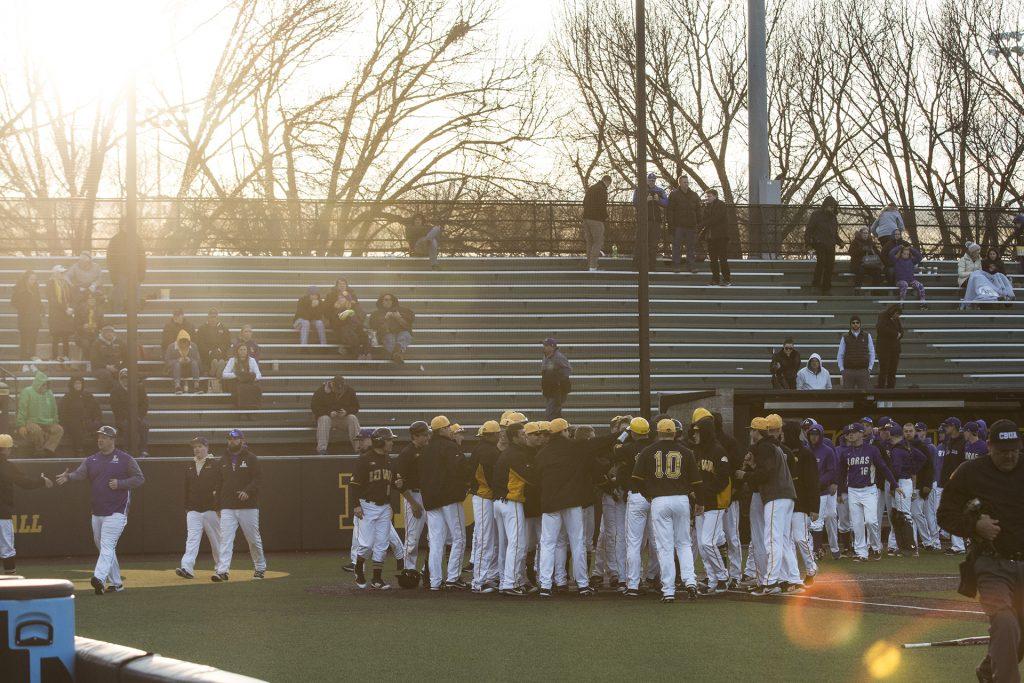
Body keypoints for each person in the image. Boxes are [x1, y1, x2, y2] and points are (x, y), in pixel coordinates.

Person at [937, 419, 1024, 683]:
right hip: (991, 564)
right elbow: (944, 515)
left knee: (1019, 633)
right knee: (1006, 622)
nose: (1009, 455)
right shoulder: (969, 472)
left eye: (1014, 449)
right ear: (989, 446)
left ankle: (988, 670)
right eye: (1002, 450)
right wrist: (975, 525)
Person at [56, 425, 145, 594]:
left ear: (112, 439)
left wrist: (121, 483)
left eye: (104, 437)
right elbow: (80, 474)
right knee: (105, 547)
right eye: (99, 437)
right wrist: (68, 476)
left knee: (107, 545)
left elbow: (139, 479)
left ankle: (99, 577)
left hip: (117, 511)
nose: (100, 440)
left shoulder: (125, 458)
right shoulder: (92, 460)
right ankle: (117, 583)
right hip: (97, 511)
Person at [630, 419, 702, 603]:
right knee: (684, 543)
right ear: (675, 432)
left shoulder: (648, 451)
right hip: (681, 499)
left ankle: (668, 590)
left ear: (658, 432)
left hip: (659, 499)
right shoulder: (686, 451)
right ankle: (690, 581)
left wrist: (649, 494)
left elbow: (636, 481)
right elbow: (696, 483)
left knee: (665, 547)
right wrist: (698, 501)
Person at [534, 418, 603, 598]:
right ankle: (582, 584)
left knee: (550, 543)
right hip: (572, 502)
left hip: (550, 502)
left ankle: (548, 584)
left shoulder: (542, 452)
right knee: (577, 542)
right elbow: (600, 444)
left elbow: (537, 478)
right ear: (565, 431)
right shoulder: (575, 448)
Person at [733, 417, 797, 595]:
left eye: (752, 430)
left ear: (756, 431)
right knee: (782, 539)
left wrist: (744, 475)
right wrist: (753, 466)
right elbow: (767, 469)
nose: (750, 433)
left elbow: (766, 473)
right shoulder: (774, 446)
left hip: (776, 495)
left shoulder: (765, 447)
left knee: (772, 539)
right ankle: (792, 578)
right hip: (786, 495)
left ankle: (770, 582)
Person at [419, 416, 467, 591]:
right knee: (459, 538)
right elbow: (459, 470)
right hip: (448, 498)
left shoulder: (426, 449)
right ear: (442, 430)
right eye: (448, 427)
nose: (450, 430)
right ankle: (453, 578)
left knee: (436, 542)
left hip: (431, 501)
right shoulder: (450, 446)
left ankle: (435, 581)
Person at [837, 423, 899, 561]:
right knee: (857, 523)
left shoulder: (872, 450)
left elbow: (883, 467)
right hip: (852, 490)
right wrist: (840, 492)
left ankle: (876, 547)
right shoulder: (845, 452)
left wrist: (894, 484)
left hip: (869, 489)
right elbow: (841, 473)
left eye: (853, 432)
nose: (850, 435)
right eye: (848, 433)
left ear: (861, 433)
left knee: (871, 521)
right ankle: (861, 553)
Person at [212, 429, 267, 582]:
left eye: (235, 438)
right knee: (225, 539)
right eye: (229, 438)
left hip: (248, 506)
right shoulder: (222, 460)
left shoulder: (251, 458)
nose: (232, 441)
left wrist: (247, 491)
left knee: (253, 539)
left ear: (242, 440)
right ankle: (223, 570)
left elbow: (258, 479)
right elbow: (219, 484)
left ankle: (260, 567)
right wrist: (217, 506)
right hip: (227, 506)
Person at [351, 427, 398, 590]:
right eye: (389, 440)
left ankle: (377, 578)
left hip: (384, 506)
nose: (392, 442)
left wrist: (396, 484)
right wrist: (356, 504)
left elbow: (390, 482)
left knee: (382, 544)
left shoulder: (389, 459)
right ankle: (358, 568)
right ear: (380, 441)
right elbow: (354, 485)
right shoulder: (365, 459)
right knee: (366, 545)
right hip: (367, 505)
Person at [492, 421, 536, 596]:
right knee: (518, 544)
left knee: (505, 545)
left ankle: (507, 580)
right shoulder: (516, 455)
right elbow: (531, 477)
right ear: (515, 437)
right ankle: (511, 583)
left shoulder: (507, 453)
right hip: (511, 501)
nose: (526, 436)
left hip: (499, 502)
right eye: (523, 434)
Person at [690, 408, 731, 594]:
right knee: (701, 544)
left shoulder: (718, 450)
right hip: (699, 503)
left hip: (714, 504)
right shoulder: (696, 451)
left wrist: (703, 493)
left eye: (698, 431)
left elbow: (722, 479)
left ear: (705, 431)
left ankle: (723, 576)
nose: (694, 434)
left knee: (708, 543)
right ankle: (712, 579)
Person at [0, 433, 53, 573]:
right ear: (6, 449)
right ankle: (10, 584)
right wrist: (42, 480)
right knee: (6, 550)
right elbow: (26, 483)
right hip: (2, 514)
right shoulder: (6, 466)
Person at [175, 436, 221, 580]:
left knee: (217, 540)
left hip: (211, 509)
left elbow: (221, 486)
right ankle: (187, 567)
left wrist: (219, 506)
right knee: (192, 539)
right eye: (195, 447)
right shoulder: (190, 465)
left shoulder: (216, 464)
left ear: (207, 448)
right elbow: (186, 487)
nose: (197, 449)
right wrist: (187, 506)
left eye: (200, 446)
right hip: (194, 509)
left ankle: (221, 568)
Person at [782, 420, 820, 590]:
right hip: (785, 500)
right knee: (788, 540)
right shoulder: (781, 451)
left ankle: (811, 568)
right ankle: (794, 574)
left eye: (785, 432)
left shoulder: (805, 454)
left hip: (801, 502)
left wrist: (814, 507)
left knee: (800, 538)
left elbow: (812, 481)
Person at [467, 420, 501, 593]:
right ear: (494, 435)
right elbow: (488, 477)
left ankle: (487, 577)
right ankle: (478, 582)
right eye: (498, 433)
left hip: (483, 496)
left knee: (490, 539)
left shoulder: (481, 448)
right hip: (484, 497)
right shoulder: (488, 451)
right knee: (485, 539)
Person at [393, 421, 429, 575]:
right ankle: (409, 569)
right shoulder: (407, 453)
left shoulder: (428, 450)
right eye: (424, 435)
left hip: (429, 495)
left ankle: (427, 568)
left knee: (434, 537)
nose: (427, 437)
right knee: (412, 537)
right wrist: (413, 504)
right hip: (413, 495)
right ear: (415, 436)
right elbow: (399, 483)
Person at [806, 423, 840, 559]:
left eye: (816, 434)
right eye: (811, 434)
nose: (814, 437)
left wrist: (827, 482)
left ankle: (835, 548)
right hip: (813, 491)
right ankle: (817, 550)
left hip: (825, 489)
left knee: (831, 516)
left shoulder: (827, 450)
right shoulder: (806, 450)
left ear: (820, 435)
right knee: (816, 520)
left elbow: (832, 470)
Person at [937, 417, 968, 555]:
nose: (945, 428)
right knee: (954, 511)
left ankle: (959, 546)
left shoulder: (963, 442)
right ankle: (958, 544)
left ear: (954, 426)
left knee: (957, 511)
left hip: (960, 482)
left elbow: (964, 464)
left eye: (948, 426)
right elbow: (947, 464)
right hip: (949, 481)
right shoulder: (949, 441)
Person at [16, 370, 63, 457]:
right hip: (31, 421)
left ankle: (49, 449)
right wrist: (21, 425)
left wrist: (55, 422)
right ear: (38, 383)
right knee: (37, 430)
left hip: (48, 422)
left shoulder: (49, 393)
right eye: (43, 384)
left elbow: (54, 409)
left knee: (59, 429)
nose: (45, 386)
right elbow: (22, 409)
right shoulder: (27, 391)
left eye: (46, 384)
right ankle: (39, 450)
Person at [311, 375, 361, 455]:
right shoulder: (321, 391)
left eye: (341, 389)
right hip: (328, 418)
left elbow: (356, 407)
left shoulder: (349, 391)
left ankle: (358, 448)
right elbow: (314, 407)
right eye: (336, 388)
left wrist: (346, 411)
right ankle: (322, 449)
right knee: (324, 419)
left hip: (343, 418)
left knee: (353, 418)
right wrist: (328, 412)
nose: (338, 390)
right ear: (332, 384)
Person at [805, 196, 843, 294]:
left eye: (833, 207)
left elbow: (834, 233)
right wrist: (808, 242)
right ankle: (816, 285)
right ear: (825, 206)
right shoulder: (816, 215)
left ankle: (826, 287)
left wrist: (840, 242)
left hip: (830, 244)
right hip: (819, 243)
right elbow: (809, 229)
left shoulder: (833, 218)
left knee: (830, 266)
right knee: (821, 263)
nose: (832, 209)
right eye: (830, 207)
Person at [106, 222, 147, 312]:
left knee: (136, 290)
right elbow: (110, 257)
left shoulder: (137, 238)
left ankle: (136, 309)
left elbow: (142, 255)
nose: (126, 226)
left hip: (134, 270)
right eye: (124, 224)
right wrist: (113, 273)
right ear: (121, 225)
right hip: (120, 271)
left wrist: (142, 271)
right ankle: (118, 310)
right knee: (119, 291)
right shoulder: (115, 239)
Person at [109, 368, 149, 458]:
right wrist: (129, 417)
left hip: (137, 417)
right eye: (123, 378)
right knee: (126, 425)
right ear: (120, 379)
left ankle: (144, 450)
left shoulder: (139, 388)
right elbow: (116, 408)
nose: (125, 380)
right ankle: (126, 450)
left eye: (127, 378)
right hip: (122, 418)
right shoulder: (115, 391)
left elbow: (145, 404)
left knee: (144, 426)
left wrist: (138, 416)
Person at [632, 173, 668, 269]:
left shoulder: (659, 190)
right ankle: (637, 265)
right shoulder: (639, 189)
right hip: (644, 221)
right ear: (646, 180)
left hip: (656, 221)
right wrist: (645, 200)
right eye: (650, 180)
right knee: (640, 243)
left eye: (653, 180)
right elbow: (635, 203)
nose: (652, 182)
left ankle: (652, 265)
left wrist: (658, 200)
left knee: (654, 244)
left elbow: (667, 202)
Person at [59, 376, 102, 456]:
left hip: (88, 422)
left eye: (80, 383)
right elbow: (62, 413)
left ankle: (97, 452)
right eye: (76, 383)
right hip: (73, 423)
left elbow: (97, 410)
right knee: (76, 427)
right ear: (72, 385)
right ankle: (79, 450)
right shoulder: (67, 397)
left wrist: (96, 420)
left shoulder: (88, 396)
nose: (78, 385)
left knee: (99, 429)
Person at [668, 176, 701, 274]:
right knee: (677, 247)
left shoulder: (694, 195)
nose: (686, 184)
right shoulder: (674, 195)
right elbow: (670, 211)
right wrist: (671, 225)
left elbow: (698, 210)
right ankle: (676, 266)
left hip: (691, 225)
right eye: (684, 182)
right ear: (680, 183)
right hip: (678, 225)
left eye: (687, 182)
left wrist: (698, 223)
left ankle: (691, 266)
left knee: (691, 247)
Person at [369, 293, 414, 363]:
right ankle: (398, 354)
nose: (389, 301)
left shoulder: (402, 310)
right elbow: (374, 326)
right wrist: (385, 318)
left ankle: (396, 354)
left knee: (405, 335)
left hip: (401, 332)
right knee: (389, 338)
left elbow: (408, 325)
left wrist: (398, 317)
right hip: (386, 333)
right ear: (382, 301)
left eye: (391, 300)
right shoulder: (376, 313)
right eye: (386, 300)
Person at [699, 189, 731, 286]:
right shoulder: (707, 207)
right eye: (706, 196)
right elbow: (705, 218)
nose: (707, 198)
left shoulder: (721, 205)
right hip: (711, 237)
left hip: (721, 236)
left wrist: (703, 224)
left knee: (722, 259)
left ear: (715, 196)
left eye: (709, 196)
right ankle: (715, 279)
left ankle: (727, 279)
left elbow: (716, 219)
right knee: (713, 260)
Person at [195, 309, 232, 391]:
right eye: (211, 317)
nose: (213, 319)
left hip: (220, 353)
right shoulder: (202, 329)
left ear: (217, 318)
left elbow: (227, 343)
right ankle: (217, 369)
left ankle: (213, 371)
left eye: (214, 317)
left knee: (219, 358)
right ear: (208, 317)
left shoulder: (224, 329)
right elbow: (199, 343)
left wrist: (219, 350)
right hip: (206, 355)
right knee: (215, 359)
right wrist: (209, 351)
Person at [11, 270, 42, 363]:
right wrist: (23, 308)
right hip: (24, 319)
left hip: (35, 318)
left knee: (33, 339)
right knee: (24, 340)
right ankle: (23, 360)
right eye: (32, 279)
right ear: (26, 279)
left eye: (35, 279)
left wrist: (41, 309)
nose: (34, 281)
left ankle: (32, 358)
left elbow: (38, 301)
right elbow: (13, 302)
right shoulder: (19, 289)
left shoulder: (36, 288)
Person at [582, 175, 611, 271]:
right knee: (598, 242)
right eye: (609, 184)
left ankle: (589, 265)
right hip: (596, 219)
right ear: (607, 182)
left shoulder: (591, 188)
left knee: (589, 242)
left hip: (586, 218)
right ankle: (593, 266)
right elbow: (602, 205)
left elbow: (584, 202)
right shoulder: (602, 190)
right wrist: (605, 217)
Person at [837, 315, 875, 390]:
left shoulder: (867, 336)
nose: (855, 324)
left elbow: (872, 352)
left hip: (863, 370)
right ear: (850, 324)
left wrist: (870, 368)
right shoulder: (845, 337)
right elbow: (840, 354)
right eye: (853, 322)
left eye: (857, 322)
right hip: (848, 371)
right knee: (848, 396)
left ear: (860, 324)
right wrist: (842, 369)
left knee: (863, 396)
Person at [46, 265, 75, 362]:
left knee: (66, 336)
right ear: (55, 273)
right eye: (60, 272)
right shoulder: (50, 283)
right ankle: (55, 356)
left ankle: (66, 356)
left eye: (63, 272)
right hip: (56, 314)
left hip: (65, 313)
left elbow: (70, 297)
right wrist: (65, 309)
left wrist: (70, 308)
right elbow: (53, 300)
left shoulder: (66, 283)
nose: (63, 274)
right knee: (56, 337)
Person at [541, 338, 571, 420]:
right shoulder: (546, 357)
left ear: (552, 347)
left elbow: (567, 370)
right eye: (544, 345)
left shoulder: (559, 357)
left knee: (550, 414)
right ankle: (559, 429)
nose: (544, 347)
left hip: (557, 390)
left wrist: (557, 379)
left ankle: (554, 430)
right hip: (549, 389)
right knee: (555, 413)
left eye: (546, 345)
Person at [165, 329, 202, 395]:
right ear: (178, 342)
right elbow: (167, 363)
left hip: (189, 370)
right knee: (177, 364)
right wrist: (178, 360)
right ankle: (177, 386)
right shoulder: (171, 347)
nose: (184, 346)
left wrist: (190, 360)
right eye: (182, 343)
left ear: (189, 342)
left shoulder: (193, 346)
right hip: (175, 371)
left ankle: (196, 385)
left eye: (186, 343)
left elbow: (198, 362)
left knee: (194, 363)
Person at [876, 304, 903, 389]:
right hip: (884, 349)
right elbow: (880, 328)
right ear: (894, 312)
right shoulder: (882, 316)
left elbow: (901, 331)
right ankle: (881, 391)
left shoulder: (897, 319)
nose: (898, 316)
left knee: (893, 371)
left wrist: (899, 334)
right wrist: (895, 334)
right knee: (884, 371)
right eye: (897, 314)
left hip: (895, 349)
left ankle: (891, 391)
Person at [90, 325, 125, 391]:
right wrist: (107, 367)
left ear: (114, 333)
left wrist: (118, 366)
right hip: (100, 368)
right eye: (107, 332)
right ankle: (114, 390)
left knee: (125, 373)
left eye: (111, 332)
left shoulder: (120, 342)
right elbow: (94, 360)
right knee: (106, 374)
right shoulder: (96, 344)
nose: (109, 334)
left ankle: (121, 390)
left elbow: (126, 356)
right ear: (103, 334)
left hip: (116, 367)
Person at [74, 288, 105, 360]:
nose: (92, 301)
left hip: (94, 334)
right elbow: (75, 326)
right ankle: (89, 361)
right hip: (82, 335)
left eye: (93, 300)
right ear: (86, 301)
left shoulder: (99, 311)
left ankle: (95, 362)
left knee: (97, 343)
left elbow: (102, 325)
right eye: (90, 300)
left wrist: (97, 325)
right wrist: (83, 327)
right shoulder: (80, 311)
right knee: (86, 344)